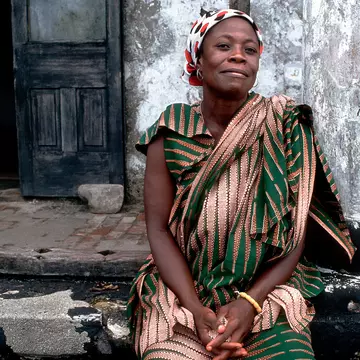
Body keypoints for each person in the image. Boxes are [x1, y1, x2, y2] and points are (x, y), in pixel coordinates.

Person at [127, 8, 356, 360]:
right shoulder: (170, 131)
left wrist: (250, 303)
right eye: (223, 46)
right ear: (198, 60)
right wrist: (194, 308)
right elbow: (158, 230)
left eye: (250, 50)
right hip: (183, 291)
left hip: (266, 292)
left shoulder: (284, 125)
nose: (238, 55)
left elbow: (296, 233)